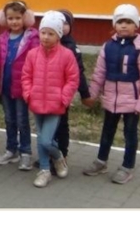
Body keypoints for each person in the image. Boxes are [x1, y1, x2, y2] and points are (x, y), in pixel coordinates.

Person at [83, 4, 140, 185]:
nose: (124, 25)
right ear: (114, 24)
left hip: (132, 102)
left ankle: (127, 167)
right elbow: (99, 73)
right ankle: (101, 161)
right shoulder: (108, 47)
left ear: (136, 25)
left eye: (128, 22)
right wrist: (91, 94)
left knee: (130, 134)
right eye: (120, 22)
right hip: (111, 99)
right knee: (107, 131)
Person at [21, 11, 79, 188]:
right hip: (36, 103)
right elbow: (26, 76)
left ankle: (58, 156)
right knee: (41, 138)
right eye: (43, 32)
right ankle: (44, 171)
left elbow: (73, 79)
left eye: (51, 33)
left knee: (46, 140)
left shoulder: (67, 55)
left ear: (59, 35)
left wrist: (63, 98)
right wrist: (28, 94)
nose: (46, 37)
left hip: (56, 105)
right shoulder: (32, 54)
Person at [0, 0, 40, 170]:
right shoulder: (3, 38)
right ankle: (11, 150)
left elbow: (36, 61)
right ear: (5, 19)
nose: (14, 21)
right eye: (10, 18)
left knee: (22, 121)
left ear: (25, 18)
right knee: (9, 120)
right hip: (6, 86)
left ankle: (26, 153)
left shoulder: (32, 38)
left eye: (18, 18)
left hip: (22, 88)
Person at [49, 9, 92, 171]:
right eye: (59, 23)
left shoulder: (72, 48)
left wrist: (85, 94)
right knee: (48, 126)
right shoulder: (46, 43)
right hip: (47, 94)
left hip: (62, 95)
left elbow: (78, 73)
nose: (62, 26)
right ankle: (50, 155)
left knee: (61, 125)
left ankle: (62, 155)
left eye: (66, 23)